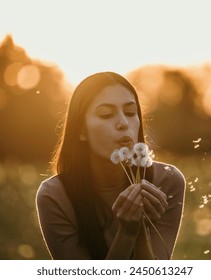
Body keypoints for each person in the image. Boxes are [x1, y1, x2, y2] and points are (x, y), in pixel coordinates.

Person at [36, 71, 186, 259]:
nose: (124, 123)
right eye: (106, 115)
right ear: (81, 130)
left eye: (131, 113)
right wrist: (127, 233)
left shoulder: (166, 181)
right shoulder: (55, 197)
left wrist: (139, 232)